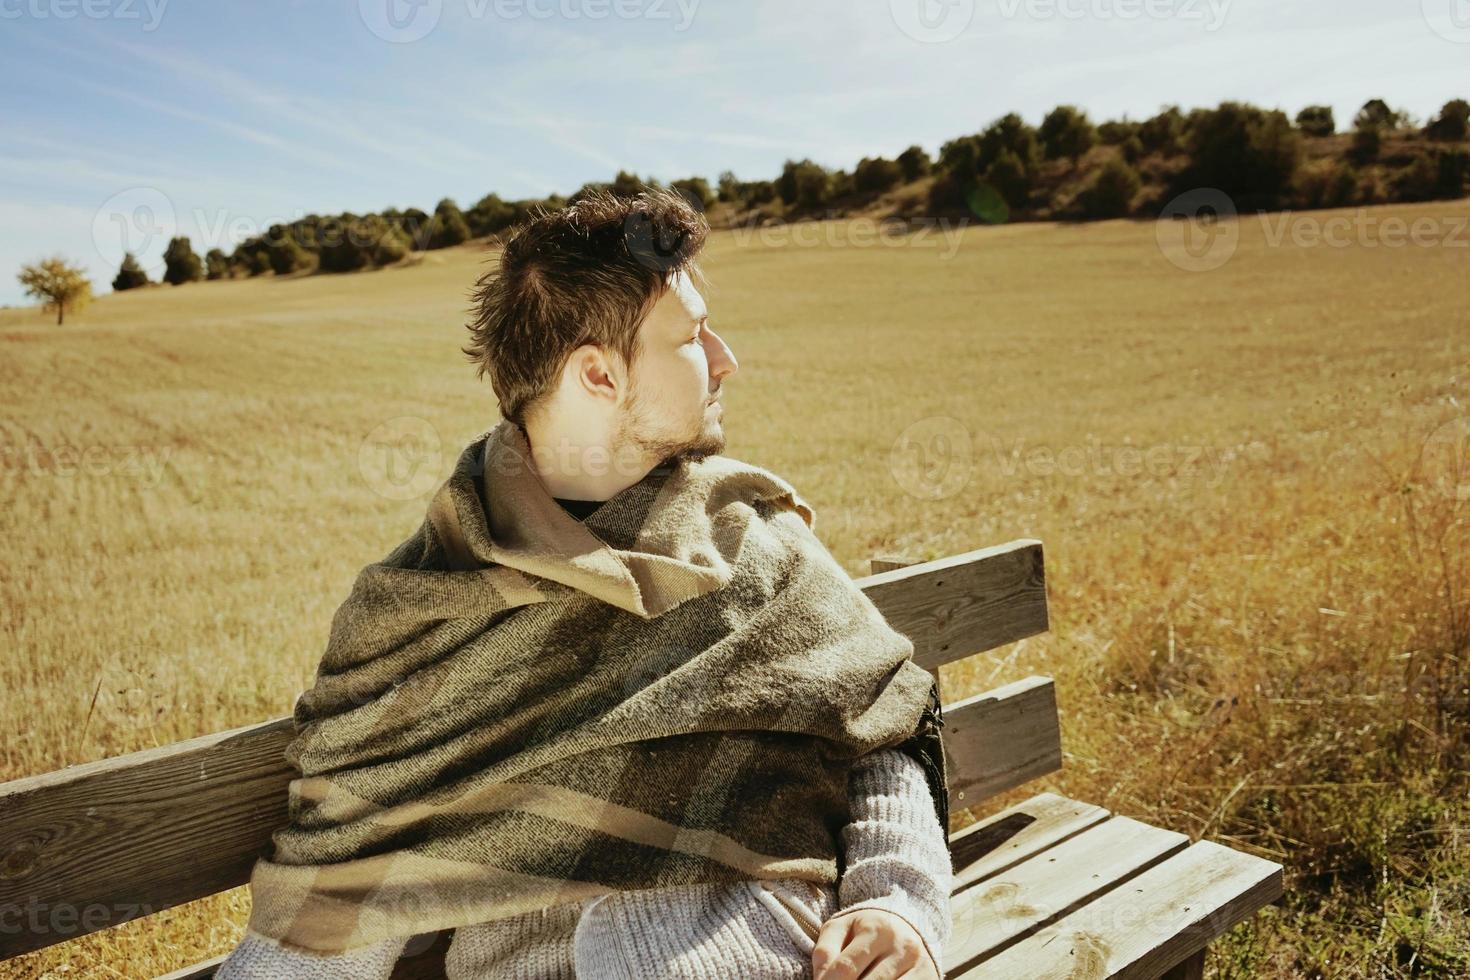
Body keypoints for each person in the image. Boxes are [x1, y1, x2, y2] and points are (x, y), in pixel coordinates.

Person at [215, 187, 952, 979]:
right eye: (692, 336)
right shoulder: (420, 610)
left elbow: (883, 726)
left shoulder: (755, 542)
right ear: (598, 376)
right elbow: (340, 889)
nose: (726, 359)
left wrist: (894, 898)